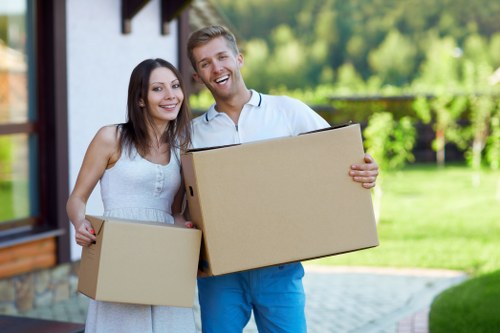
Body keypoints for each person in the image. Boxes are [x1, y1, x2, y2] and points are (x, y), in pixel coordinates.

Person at [186, 25, 380, 333]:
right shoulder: (193, 134)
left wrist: (367, 168)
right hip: (220, 274)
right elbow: (183, 199)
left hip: (279, 268)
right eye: (205, 63)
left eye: (222, 57)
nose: (216, 68)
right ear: (197, 76)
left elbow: (339, 159)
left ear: (239, 59)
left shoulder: (287, 111)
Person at [66, 58, 196, 333]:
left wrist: (181, 224)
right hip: (120, 253)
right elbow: (77, 198)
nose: (171, 95)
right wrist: (80, 224)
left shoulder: (180, 148)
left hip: (164, 258)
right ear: (140, 98)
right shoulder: (111, 137)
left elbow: (174, 211)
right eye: (158, 89)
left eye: (175, 86)